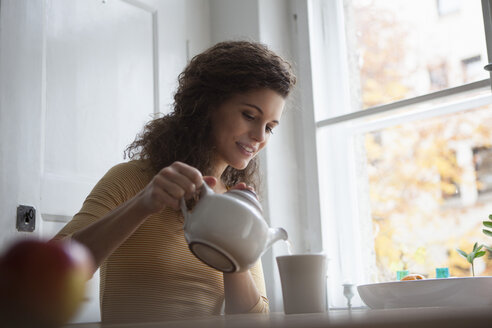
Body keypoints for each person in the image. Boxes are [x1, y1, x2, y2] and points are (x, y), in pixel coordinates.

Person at [52, 40, 296, 324]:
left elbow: (254, 320)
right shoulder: (131, 180)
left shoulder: (235, 203)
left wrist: (233, 246)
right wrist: (142, 204)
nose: (259, 136)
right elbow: (50, 274)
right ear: (207, 105)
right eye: (249, 115)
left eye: (269, 127)